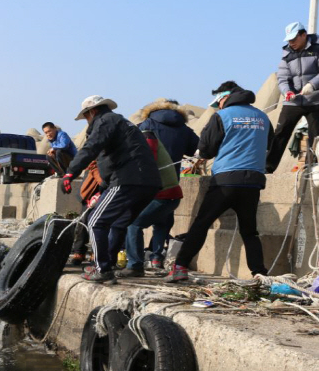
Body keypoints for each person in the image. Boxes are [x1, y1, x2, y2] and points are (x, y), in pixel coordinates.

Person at [166, 81, 274, 282]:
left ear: (225, 97)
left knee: (201, 224)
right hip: (252, 181)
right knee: (250, 231)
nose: (217, 106)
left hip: (226, 180)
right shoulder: (263, 117)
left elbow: (207, 150)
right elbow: (270, 145)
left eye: (218, 101)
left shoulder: (222, 116)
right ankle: (259, 273)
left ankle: (180, 267)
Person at [62, 95, 161, 283]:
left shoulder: (105, 120)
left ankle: (103, 269)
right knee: (118, 223)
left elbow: (91, 147)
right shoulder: (123, 123)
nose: (87, 122)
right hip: (148, 183)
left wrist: (70, 173)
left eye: (86, 118)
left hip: (128, 180)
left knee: (95, 221)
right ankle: (107, 264)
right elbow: (109, 161)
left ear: (92, 112)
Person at [266, 21, 319, 173]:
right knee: (281, 132)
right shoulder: (286, 56)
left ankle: (312, 168)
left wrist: (312, 85)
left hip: (316, 101)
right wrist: (287, 92)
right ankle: (268, 168)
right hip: (293, 102)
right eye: (289, 40)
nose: (291, 43)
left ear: (304, 35)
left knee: (315, 135)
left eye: (294, 39)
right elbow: (282, 79)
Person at [136, 98, 199, 261]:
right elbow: (196, 150)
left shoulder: (147, 124)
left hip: (145, 184)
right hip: (171, 185)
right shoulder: (184, 129)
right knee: (163, 223)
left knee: (134, 224)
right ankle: (156, 258)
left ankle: (134, 261)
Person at [115, 132, 183, 278]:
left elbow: (145, 165)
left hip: (163, 196)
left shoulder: (147, 139)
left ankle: (134, 265)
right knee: (159, 225)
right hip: (170, 195)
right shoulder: (148, 139)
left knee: (133, 224)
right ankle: (156, 260)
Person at [70, 160, 103, 265]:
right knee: (84, 221)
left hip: (106, 184)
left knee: (101, 222)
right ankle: (79, 252)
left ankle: (96, 252)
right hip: (92, 188)